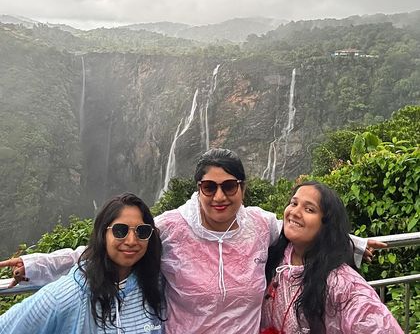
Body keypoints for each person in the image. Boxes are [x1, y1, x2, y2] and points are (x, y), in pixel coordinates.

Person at [0, 149, 381, 334]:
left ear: (242, 188)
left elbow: (302, 228)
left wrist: (356, 244)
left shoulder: (260, 225)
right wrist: (36, 265)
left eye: (229, 186)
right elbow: (109, 247)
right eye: (209, 187)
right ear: (198, 188)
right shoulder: (171, 227)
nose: (220, 196)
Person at [0, 193, 165, 333]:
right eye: (120, 230)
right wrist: (34, 265)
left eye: (141, 231)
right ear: (102, 234)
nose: (131, 241)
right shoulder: (68, 296)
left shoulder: (155, 283)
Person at [260, 181, 403, 334]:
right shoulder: (272, 255)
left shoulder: (342, 284)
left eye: (309, 209)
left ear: (326, 224)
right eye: (293, 203)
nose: (294, 212)